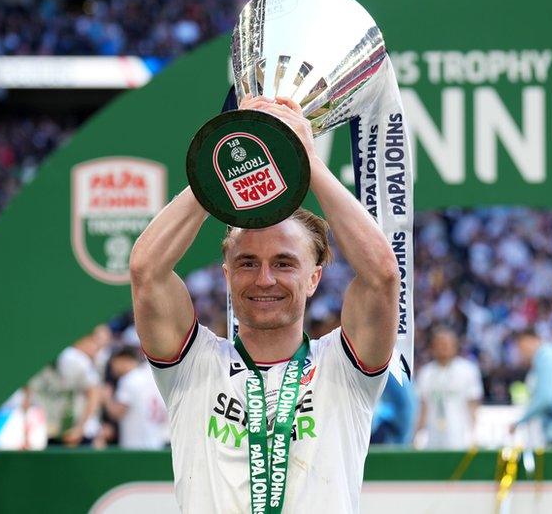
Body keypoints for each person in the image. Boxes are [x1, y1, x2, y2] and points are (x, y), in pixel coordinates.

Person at [129, 95, 400, 513]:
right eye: (247, 262)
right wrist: (218, 174)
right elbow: (147, 271)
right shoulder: (193, 367)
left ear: (314, 278)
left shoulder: (344, 369)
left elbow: (382, 276)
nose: (265, 278)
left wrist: (304, 160)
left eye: (285, 263)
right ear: (226, 273)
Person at [29, 325, 109, 447]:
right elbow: (28, 394)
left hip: (79, 433)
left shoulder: (74, 360)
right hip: (48, 432)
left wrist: (80, 427)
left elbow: (94, 393)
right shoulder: (33, 362)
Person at [415, 329, 483, 449]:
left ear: (455, 346)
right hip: (433, 434)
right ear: (432, 347)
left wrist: (474, 433)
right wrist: (418, 433)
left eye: (447, 344)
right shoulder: (426, 373)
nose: (443, 348)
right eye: (440, 344)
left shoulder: (468, 370)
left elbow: (473, 403)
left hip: (460, 433)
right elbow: (423, 405)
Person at [102, 346, 168, 449]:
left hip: (135, 444)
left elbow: (118, 412)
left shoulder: (128, 379)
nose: (112, 368)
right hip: (156, 442)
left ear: (123, 360)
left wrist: (106, 398)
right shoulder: (151, 376)